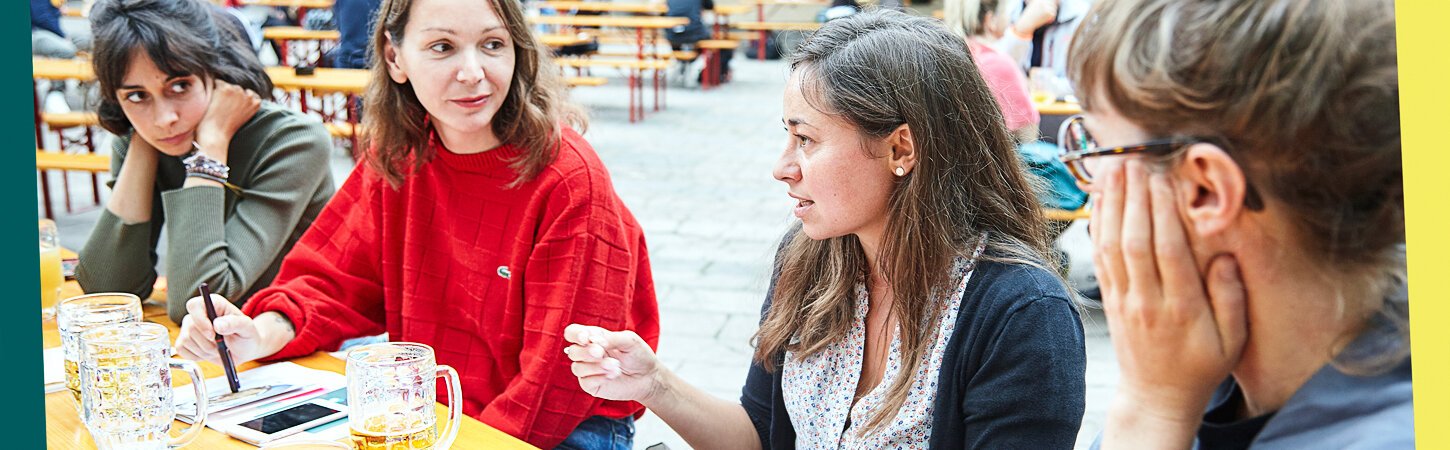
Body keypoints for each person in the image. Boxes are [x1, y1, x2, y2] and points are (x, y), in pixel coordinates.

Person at [565, 10, 1085, 449]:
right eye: (787, 136)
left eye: (807, 139)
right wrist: (654, 384)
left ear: (901, 149)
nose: (783, 167)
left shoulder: (1022, 315)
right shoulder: (812, 259)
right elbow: (762, 435)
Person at [171, 0, 660, 447]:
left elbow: (557, 378)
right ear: (394, 58)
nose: (473, 73)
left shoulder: (568, 178)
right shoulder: (400, 153)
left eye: (493, 44)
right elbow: (334, 280)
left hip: (561, 428)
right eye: (442, 47)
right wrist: (259, 332)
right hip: (435, 409)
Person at [1063, 0, 1410, 447]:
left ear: (1204, 189)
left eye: (1096, 143)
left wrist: (1149, 414)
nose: (1090, 182)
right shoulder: (1197, 377)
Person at [75, 0, 335, 324]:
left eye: (180, 86)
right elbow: (106, 291)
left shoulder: (293, 141)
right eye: (137, 95)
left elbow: (198, 305)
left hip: (305, 344)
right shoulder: (143, 136)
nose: (165, 118)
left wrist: (211, 147)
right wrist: (141, 143)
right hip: (216, 355)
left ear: (214, 72)